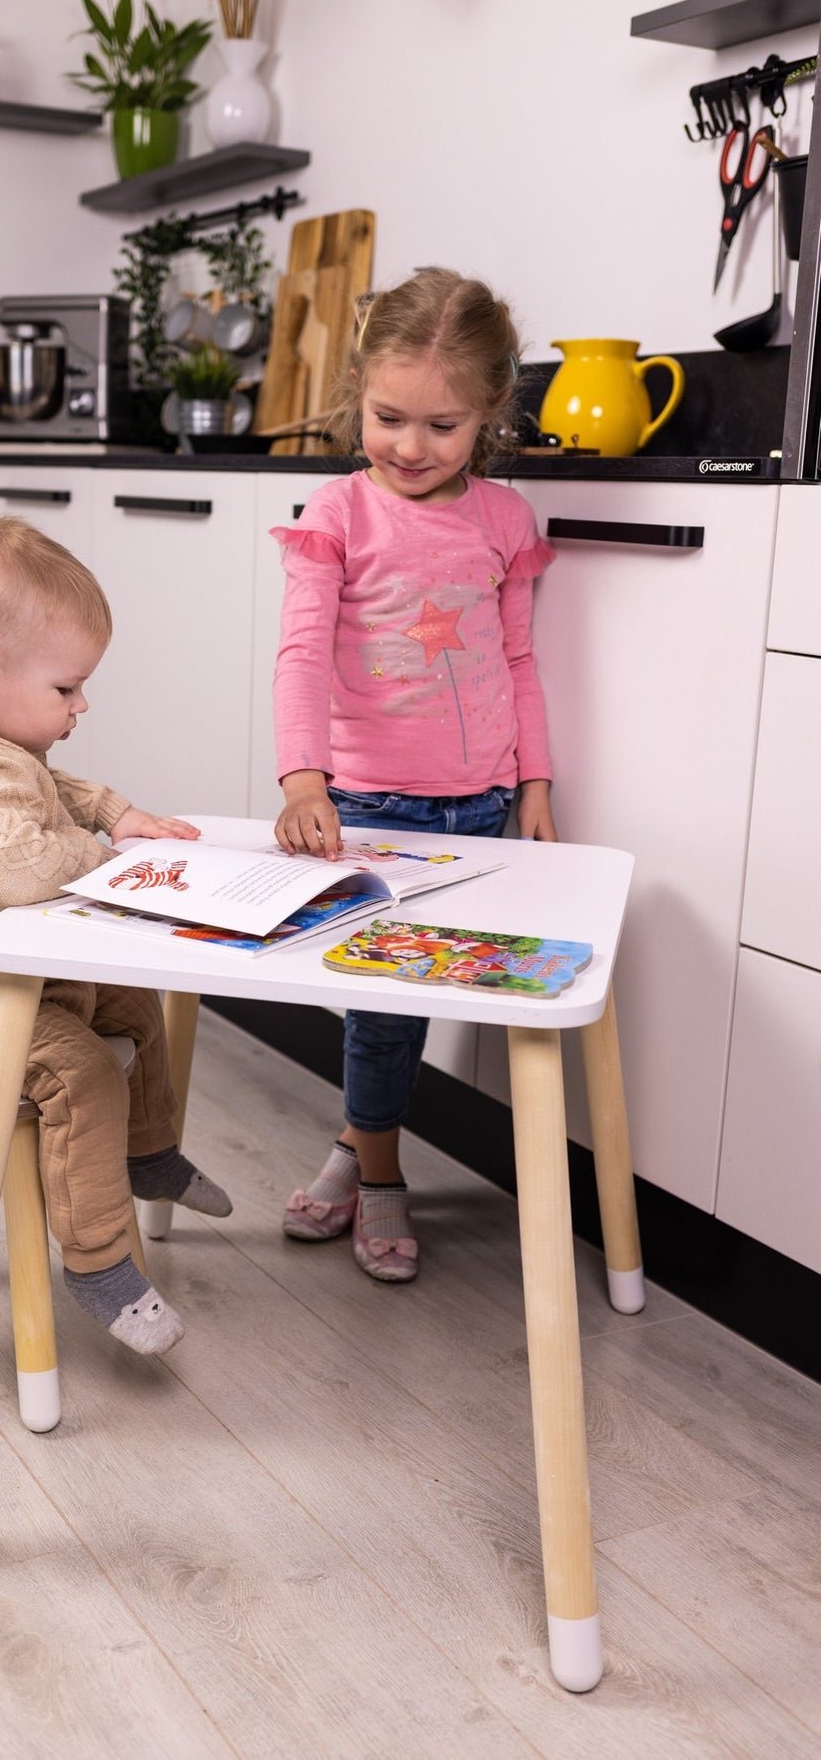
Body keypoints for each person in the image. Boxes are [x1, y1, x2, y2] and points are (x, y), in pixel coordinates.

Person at [0, 515, 232, 1355]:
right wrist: (101, 852)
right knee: (79, 1074)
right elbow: (18, 866)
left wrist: (114, 811)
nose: (82, 704)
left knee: (136, 1008)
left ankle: (150, 1155)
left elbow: (39, 781)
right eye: (67, 689)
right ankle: (99, 1261)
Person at [270, 267, 557, 1283]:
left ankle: (355, 1150)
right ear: (357, 392)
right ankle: (385, 1174)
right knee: (387, 999)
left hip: (478, 802)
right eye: (389, 417)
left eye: (443, 425)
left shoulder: (505, 522)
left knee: (411, 994)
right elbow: (301, 652)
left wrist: (534, 784)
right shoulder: (340, 509)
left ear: (489, 414)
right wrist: (305, 780)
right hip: (368, 803)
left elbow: (518, 660)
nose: (410, 445)